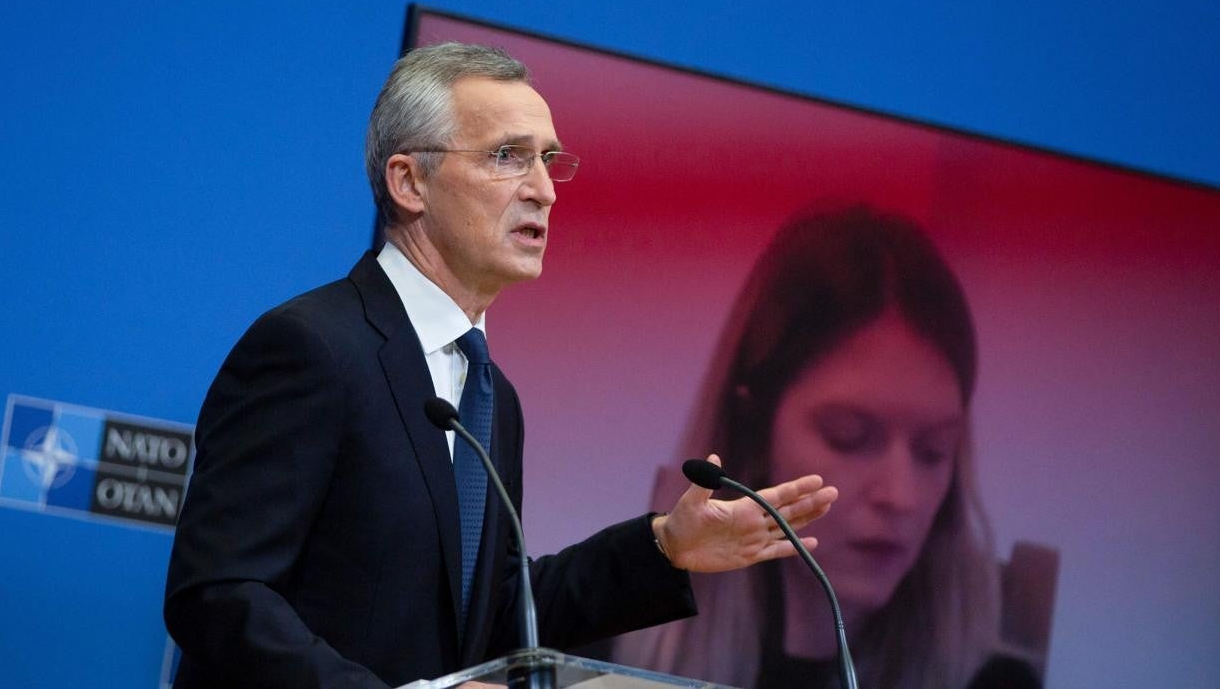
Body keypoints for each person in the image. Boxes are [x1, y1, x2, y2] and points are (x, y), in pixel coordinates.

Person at [163, 42, 838, 688]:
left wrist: (663, 546)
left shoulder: (490, 392)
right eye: (509, 157)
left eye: (549, 160)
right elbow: (218, 593)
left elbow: (492, 610)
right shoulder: (311, 348)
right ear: (409, 181)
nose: (544, 190)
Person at [612, 207, 1006, 688]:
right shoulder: (603, 646)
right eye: (848, 436)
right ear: (753, 426)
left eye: (934, 449)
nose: (901, 496)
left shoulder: (993, 680)